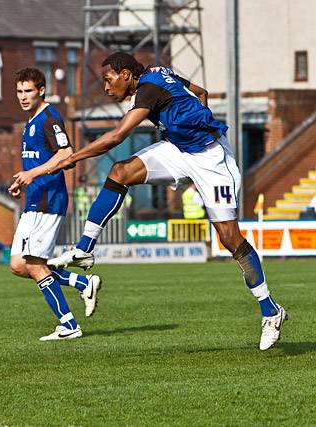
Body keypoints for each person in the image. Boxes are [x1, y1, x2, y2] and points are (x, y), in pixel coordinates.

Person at [48, 52, 286, 351]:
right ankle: (84, 249)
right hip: (178, 150)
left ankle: (271, 311)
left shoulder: (148, 90)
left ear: (125, 75)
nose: (106, 89)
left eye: (108, 81)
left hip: (211, 159)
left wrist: (71, 159)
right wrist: (192, 123)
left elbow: (117, 136)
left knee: (230, 238)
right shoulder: (158, 72)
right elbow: (201, 92)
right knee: (120, 171)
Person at [8, 67, 101, 341]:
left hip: (49, 200)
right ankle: (81, 282)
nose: (23, 97)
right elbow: (36, 161)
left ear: (41, 90)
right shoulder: (31, 120)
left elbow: (67, 154)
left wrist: (31, 174)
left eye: (28, 91)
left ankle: (69, 324)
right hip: (34, 199)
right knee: (17, 265)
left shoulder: (50, 118)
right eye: (19, 92)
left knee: (35, 265)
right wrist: (22, 181)